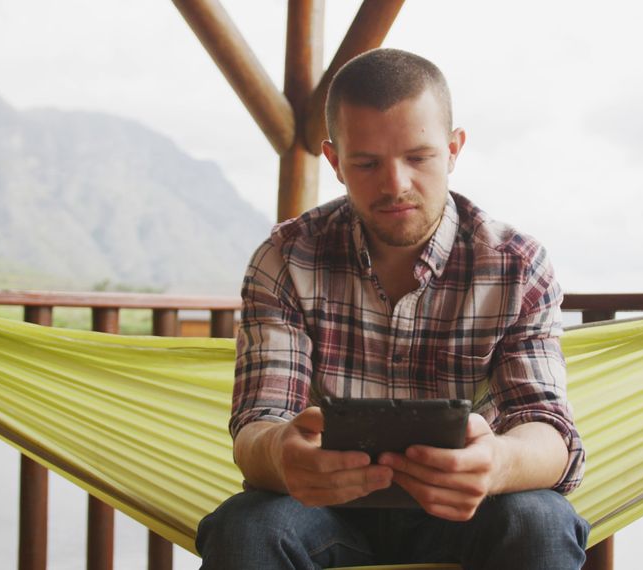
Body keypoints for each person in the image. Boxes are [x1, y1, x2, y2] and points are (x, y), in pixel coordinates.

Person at [197, 48, 589, 569]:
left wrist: (495, 462)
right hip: (324, 511)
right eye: (366, 162)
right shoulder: (285, 260)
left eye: (419, 157)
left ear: (453, 150)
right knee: (245, 528)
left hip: (467, 507)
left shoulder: (515, 265)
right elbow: (259, 423)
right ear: (335, 162)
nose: (396, 184)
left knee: (541, 522)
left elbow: (548, 427)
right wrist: (283, 455)